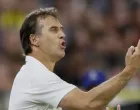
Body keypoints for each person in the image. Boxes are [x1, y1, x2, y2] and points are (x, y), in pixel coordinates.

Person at [8, 7, 140, 110]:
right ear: (34, 39)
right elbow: (88, 103)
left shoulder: (37, 75)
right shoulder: (35, 75)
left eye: (61, 29)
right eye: (54, 30)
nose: (62, 34)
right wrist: (130, 70)